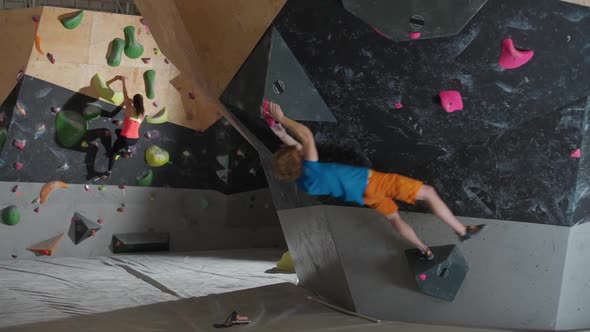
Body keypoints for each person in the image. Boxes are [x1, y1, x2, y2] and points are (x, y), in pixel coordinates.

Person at [268, 101, 484, 260]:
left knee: (394, 219)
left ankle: (423, 249)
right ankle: (461, 230)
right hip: (374, 183)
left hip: (366, 196)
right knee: (428, 192)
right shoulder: (312, 168)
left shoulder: (304, 180)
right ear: (298, 162)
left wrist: (281, 134)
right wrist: (282, 119)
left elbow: (297, 149)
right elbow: (305, 136)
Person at [105, 76, 145, 177]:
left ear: (134, 102)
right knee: (118, 131)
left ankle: (109, 171)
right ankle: (127, 150)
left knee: (113, 152)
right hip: (134, 139)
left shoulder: (129, 108)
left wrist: (123, 81)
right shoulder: (142, 114)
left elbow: (125, 92)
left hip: (125, 138)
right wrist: (131, 102)